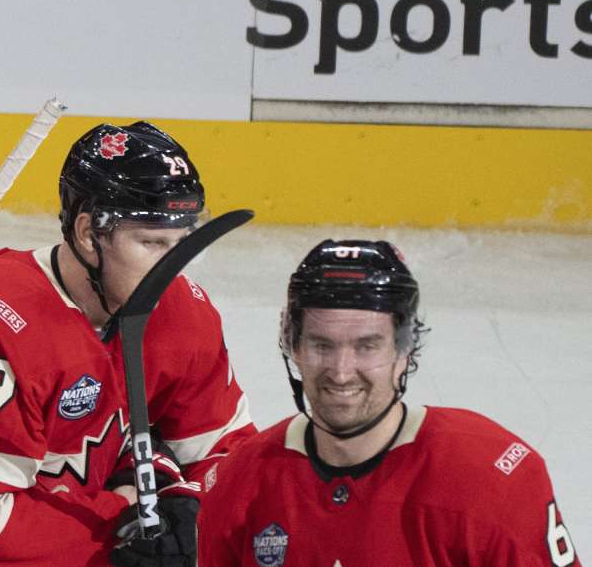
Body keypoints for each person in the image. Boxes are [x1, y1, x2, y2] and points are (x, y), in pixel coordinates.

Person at [0, 122, 255, 566]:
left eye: (180, 243)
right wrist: (120, 527)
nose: (173, 267)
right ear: (90, 234)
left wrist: (190, 509)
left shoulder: (183, 315)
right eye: (151, 242)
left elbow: (230, 457)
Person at [197, 239, 582, 566]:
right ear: (294, 346)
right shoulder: (240, 481)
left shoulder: (490, 483)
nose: (341, 371)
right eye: (321, 345)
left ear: (404, 351)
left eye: (366, 346)